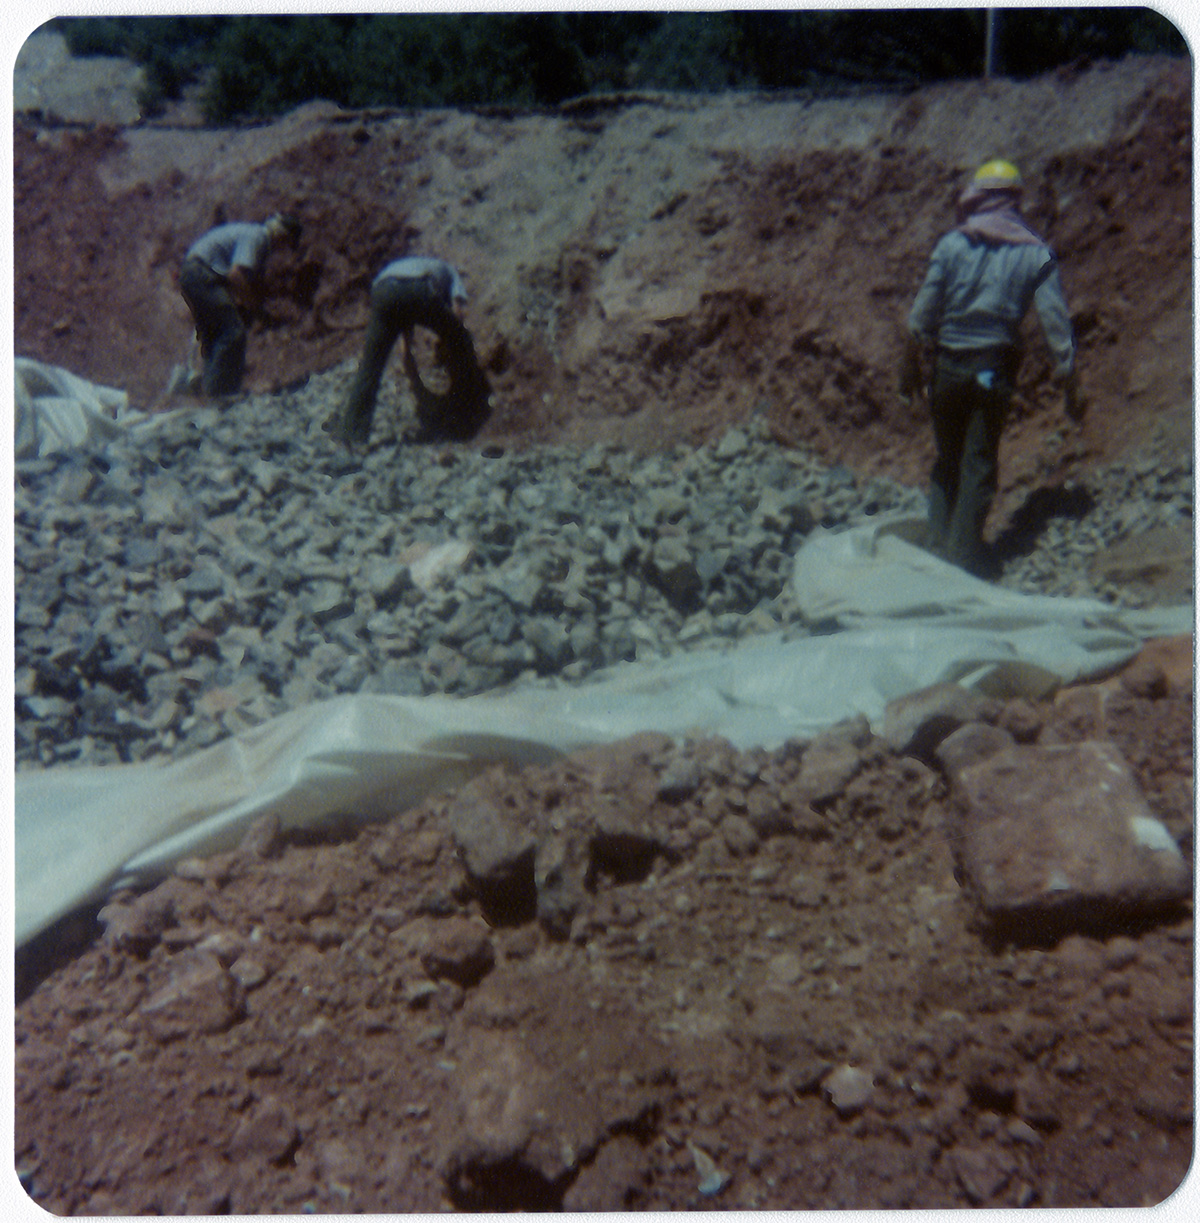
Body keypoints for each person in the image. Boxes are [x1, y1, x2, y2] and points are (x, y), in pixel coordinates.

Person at [900, 159, 1082, 575]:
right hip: (992, 370)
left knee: (948, 460)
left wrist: (908, 367)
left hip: (948, 366)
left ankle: (935, 556)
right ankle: (962, 562)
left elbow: (920, 317)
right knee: (978, 462)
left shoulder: (951, 246)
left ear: (976, 199)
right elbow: (1057, 326)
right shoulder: (1035, 254)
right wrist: (1071, 382)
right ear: (1015, 202)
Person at [336, 255, 490, 446]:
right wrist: (450, 342)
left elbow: (405, 348)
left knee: (370, 366)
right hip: (416, 288)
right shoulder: (451, 272)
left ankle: (352, 434)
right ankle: (469, 406)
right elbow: (457, 314)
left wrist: (414, 379)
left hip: (382, 292)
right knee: (462, 338)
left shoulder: (408, 265)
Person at [178, 213, 302, 397]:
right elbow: (236, 276)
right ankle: (221, 394)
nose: (282, 248)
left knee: (216, 335)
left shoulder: (250, 233)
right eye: (286, 242)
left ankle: (203, 389)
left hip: (195, 272)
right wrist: (257, 310)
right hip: (202, 273)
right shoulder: (258, 236)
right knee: (233, 332)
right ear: (281, 234)